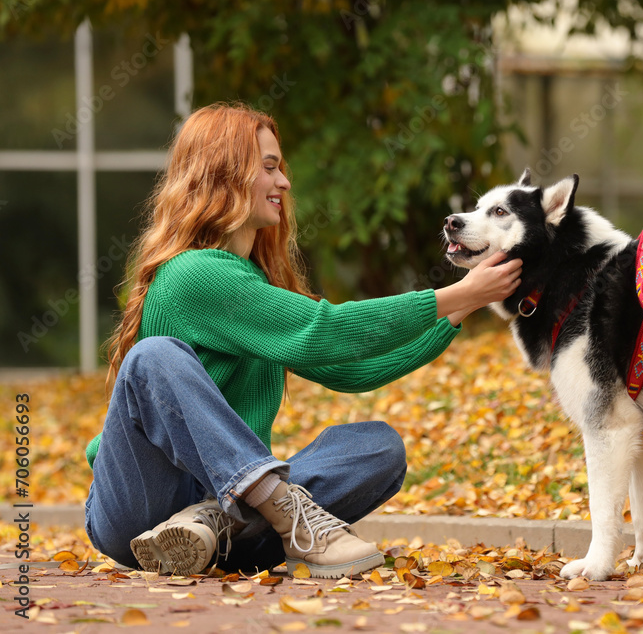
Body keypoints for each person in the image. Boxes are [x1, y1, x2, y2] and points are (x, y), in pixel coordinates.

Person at [84, 102, 522, 578]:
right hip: (140, 507)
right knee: (154, 357)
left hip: (223, 515)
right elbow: (327, 331)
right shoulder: (194, 275)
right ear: (223, 174)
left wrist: (462, 306)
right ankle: (279, 510)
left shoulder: (250, 283)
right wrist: (450, 294)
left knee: (377, 447)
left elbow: (350, 369)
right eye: (269, 168)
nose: (284, 183)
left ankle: (213, 522)